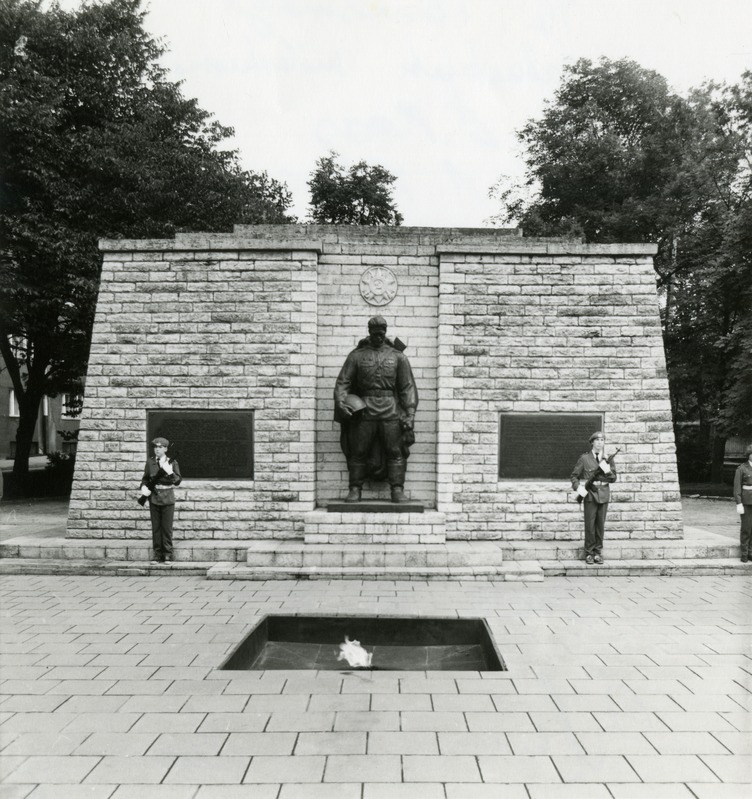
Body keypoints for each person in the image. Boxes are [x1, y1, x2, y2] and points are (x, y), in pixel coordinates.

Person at [334, 316, 418, 503]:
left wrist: (410, 413)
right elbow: (343, 382)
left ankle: (397, 489)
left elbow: (407, 387)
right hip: (364, 409)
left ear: (385, 332)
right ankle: (355, 488)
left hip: (390, 409)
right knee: (359, 450)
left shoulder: (398, 357)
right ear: (370, 332)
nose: (379, 336)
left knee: (394, 450)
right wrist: (341, 403)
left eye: (382, 332)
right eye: (375, 332)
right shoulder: (356, 356)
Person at [570, 431, 617, 564]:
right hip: (590, 494)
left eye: (602, 440)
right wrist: (578, 487)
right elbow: (574, 476)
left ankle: (598, 552)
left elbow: (614, 479)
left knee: (600, 525)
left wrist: (607, 470)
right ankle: (589, 552)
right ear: (592, 442)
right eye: (597, 440)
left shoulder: (608, 458)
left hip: (604, 494)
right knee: (590, 524)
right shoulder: (584, 458)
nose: (600, 442)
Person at [140, 437, 181, 564]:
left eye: (160, 447)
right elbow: (145, 479)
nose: (157, 450)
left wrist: (170, 473)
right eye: (155, 447)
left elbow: (178, 480)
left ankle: (167, 554)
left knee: (166, 528)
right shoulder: (150, 462)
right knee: (156, 528)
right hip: (154, 498)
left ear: (166, 449)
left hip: (167, 498)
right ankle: (157, 554)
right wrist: (143, 489)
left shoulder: (172, 463)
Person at [733, 444, 752, 563]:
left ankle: (751, 552)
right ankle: (744, 554)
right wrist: (738, 502)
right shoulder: (742, 468)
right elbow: (737, 487)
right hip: (746, 501)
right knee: (746, 528)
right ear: (749, 455)